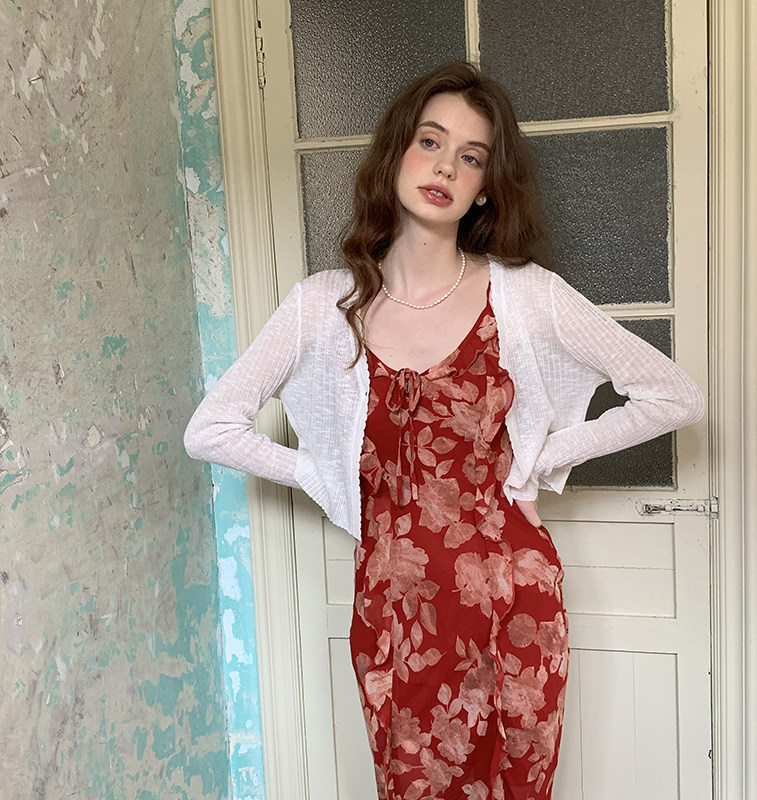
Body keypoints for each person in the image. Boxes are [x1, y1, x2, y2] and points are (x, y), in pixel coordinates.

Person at [184, 62, 704, 800]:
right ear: (396, 152)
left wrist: (541, 455)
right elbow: (210, 429)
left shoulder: (525, 296)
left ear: (486, 186)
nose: (445, 167)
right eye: (430, 142)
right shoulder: (321, 307)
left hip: (514, 601)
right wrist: (318, 472)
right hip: (395, 613)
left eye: (471, 156)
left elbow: (674, 395)